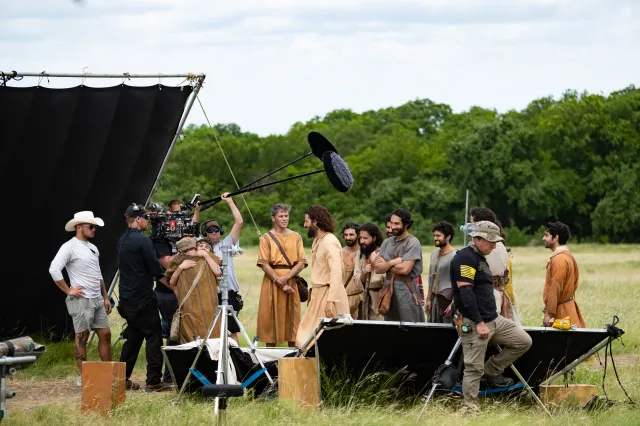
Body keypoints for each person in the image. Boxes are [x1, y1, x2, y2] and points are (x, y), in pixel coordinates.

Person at [450, 221, 532, 410]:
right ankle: (470, 409)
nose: (494, 246)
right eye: (491, 241)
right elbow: (466, 294)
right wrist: (479, 323)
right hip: (474, 322)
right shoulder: (465, 258)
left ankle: (490, 371)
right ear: (477, 239)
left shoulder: (481, 257)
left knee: (523, 341)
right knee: (473, 367)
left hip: (493, 319)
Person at [49, 211, 111, 388]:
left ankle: (109, 373)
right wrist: (69, 290)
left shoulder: (93, 248)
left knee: (105, 334)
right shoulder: (69, 246)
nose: (94, 229)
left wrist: (105, 297)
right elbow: (54, 269)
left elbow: (98, 274)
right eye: (91, 226)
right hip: (81, 299)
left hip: (97, 298)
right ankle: (84, 377)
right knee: (82, 336)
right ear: (79, 227)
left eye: (95, 226)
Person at [117, 203, 170, 392]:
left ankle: (121, 378)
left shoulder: (122, 240)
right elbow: (156, 270)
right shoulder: (143, 241)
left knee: (134, 337)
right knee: (154, 337)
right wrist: (174, 285)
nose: (148, 222)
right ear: (138, 219)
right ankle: (154, 381)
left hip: (127, 299)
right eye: (146, 218)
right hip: (143, 298)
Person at [296, 206, 350, 347]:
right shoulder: (317, 241)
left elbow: (336, 272)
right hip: (319, 294)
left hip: (330, 295)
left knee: (326, 339)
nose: (305, 225)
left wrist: (331, 301)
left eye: (307, 221)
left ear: (316, 221)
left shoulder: (330, 241)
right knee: (306, 336)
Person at [256, 203, 307, 347]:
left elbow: (301, 262)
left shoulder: (296, 236)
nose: (285, 219)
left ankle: (293, 358)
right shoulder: (266, 238)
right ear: (273, 218)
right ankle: (270, 360)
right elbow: (264, 264)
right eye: (281, 216)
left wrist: (286, 278)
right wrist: (279, 281)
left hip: (291, 281)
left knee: (293, 318)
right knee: (270, 318)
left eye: (286, 216)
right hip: (271, 283)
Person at [203, 193, 244, 343]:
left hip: (229, 292)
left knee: (231, 329)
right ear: (205, 233)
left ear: (220, 231)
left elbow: (239, 222)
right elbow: (189, 234)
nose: (214, 233)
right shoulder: (201, 247)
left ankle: (236, 359)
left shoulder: (227, 243)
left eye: (216, 230)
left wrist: (230, 202)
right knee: (213, 330)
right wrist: (196, 211)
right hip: (211, 294)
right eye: (210, 230)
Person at [165, 237, 222, 343]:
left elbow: (218, 272)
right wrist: (181, 267)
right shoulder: (179, 261)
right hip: (189, 306)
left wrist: (205, 255)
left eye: (191, 248)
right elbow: (172, 282)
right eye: (186, 250)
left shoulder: (209, 258)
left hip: (208, 304)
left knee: (212, 333)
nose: (190, 251)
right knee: (190, 336)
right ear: (181, 252)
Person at [373, 209, 424, 322]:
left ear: (405, 225)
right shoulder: (386, 242)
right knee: (391, 325)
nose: (393, 226)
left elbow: (405, 269)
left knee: (410, 324)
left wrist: (385, 264)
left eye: (397, 223)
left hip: (405, 288)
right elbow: (377, 268)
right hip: (387, 289)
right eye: (391, 223)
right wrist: (393, 262)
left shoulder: (413, 242)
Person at [470, 207, 519, 323]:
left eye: (473, 223)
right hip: (499, 296)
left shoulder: (482, 246)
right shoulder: (500, 245)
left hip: (488, 298)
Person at [542, 221, 586, 328]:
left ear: (556, 238)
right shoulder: (567, 256)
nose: (543, 238)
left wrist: (549, 314)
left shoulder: (560, 259)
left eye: (546, 235)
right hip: (566, 308)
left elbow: (555, 287)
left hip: (562, 313)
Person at [425, 221, 457, 323]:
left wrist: (453, 303)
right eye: (434, 235)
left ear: (448, 237)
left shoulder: (455, 256)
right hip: (434, 300)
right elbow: (431, 279)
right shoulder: (434, 254)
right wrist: (428, 299)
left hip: (446, 300)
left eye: (438, 236)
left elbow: (458, 283)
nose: (435, 238)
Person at [353, 223, 385, 320]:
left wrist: (375, 263)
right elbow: (356, 278)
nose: (362, 241)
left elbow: (383, 278)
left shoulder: (383, 252)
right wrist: (364, 272)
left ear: (374, 238)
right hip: (366, 299)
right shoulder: (360, 254)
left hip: (381, 298)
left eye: (365, 238)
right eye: (360, 238)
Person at [342, 222, 364, 319]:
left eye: (351, 234)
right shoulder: (339, 252)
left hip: (361, 300)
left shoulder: (364, 253)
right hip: (343, 299)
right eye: (346, 235)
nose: (348, 237)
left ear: (358, 235)